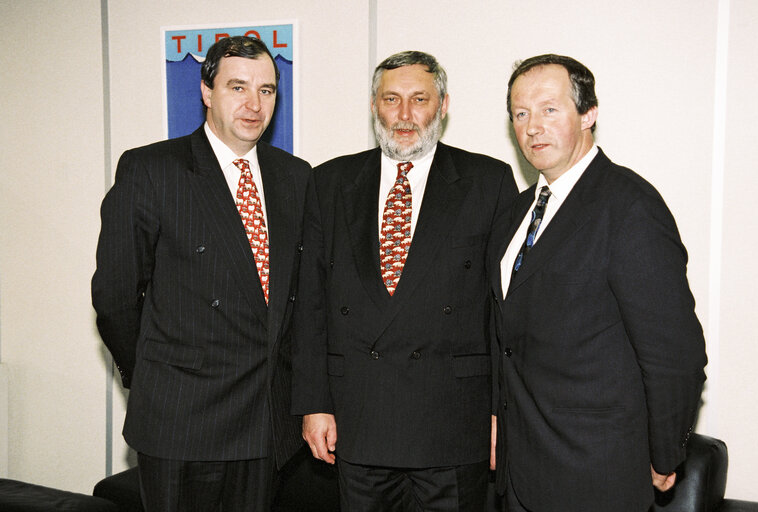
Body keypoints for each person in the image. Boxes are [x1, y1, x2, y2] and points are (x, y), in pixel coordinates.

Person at [291, 50, 518, 511]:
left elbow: (504, 311)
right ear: (374, 105)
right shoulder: (330, 182)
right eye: (391, 99)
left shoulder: (487, 181)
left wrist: (500, 411)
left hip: (454, 420)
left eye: (420, 99)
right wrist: (314, 403)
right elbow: (310, 304)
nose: (405, 115)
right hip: (360, 416)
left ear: (444, 105)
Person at [91, 36, 310, 512]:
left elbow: (298, 300)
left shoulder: (295, 176)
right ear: (207, 91)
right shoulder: (153, 169)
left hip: (266, 422)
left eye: (267, 90)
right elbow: (114, 297)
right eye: (238, 87)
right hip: (182, 419)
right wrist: (153, 376)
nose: (254, 104)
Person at [491, 54, 707, 512]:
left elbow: (676, 356)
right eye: (521, 113)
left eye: (550, 109)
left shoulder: (629, 207)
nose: (532, 128)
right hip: (520, 477)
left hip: (597, 478)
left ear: (588, 114)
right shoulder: (517, 212)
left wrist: (666, 453)